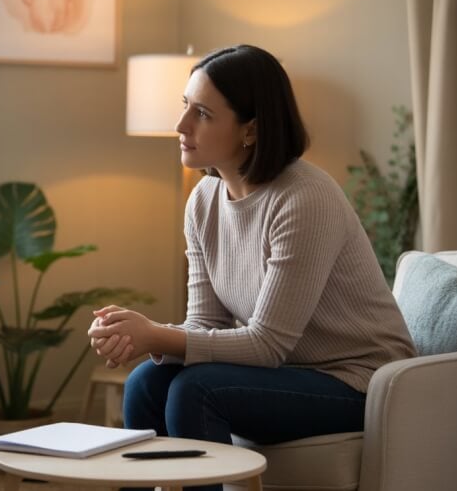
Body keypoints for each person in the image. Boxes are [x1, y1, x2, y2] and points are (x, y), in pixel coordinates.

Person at [87, 45, 415, 491]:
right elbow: (206, 324)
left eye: (202, 113)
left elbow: (268, 344)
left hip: (358, 383)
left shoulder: (304, 198)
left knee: (196, 389)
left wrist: (155, 334)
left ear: (251, 130)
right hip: (286, 373)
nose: (181, 125)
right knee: (146, 382)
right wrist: (136, 333)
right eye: (185, 106)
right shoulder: (202, 202)